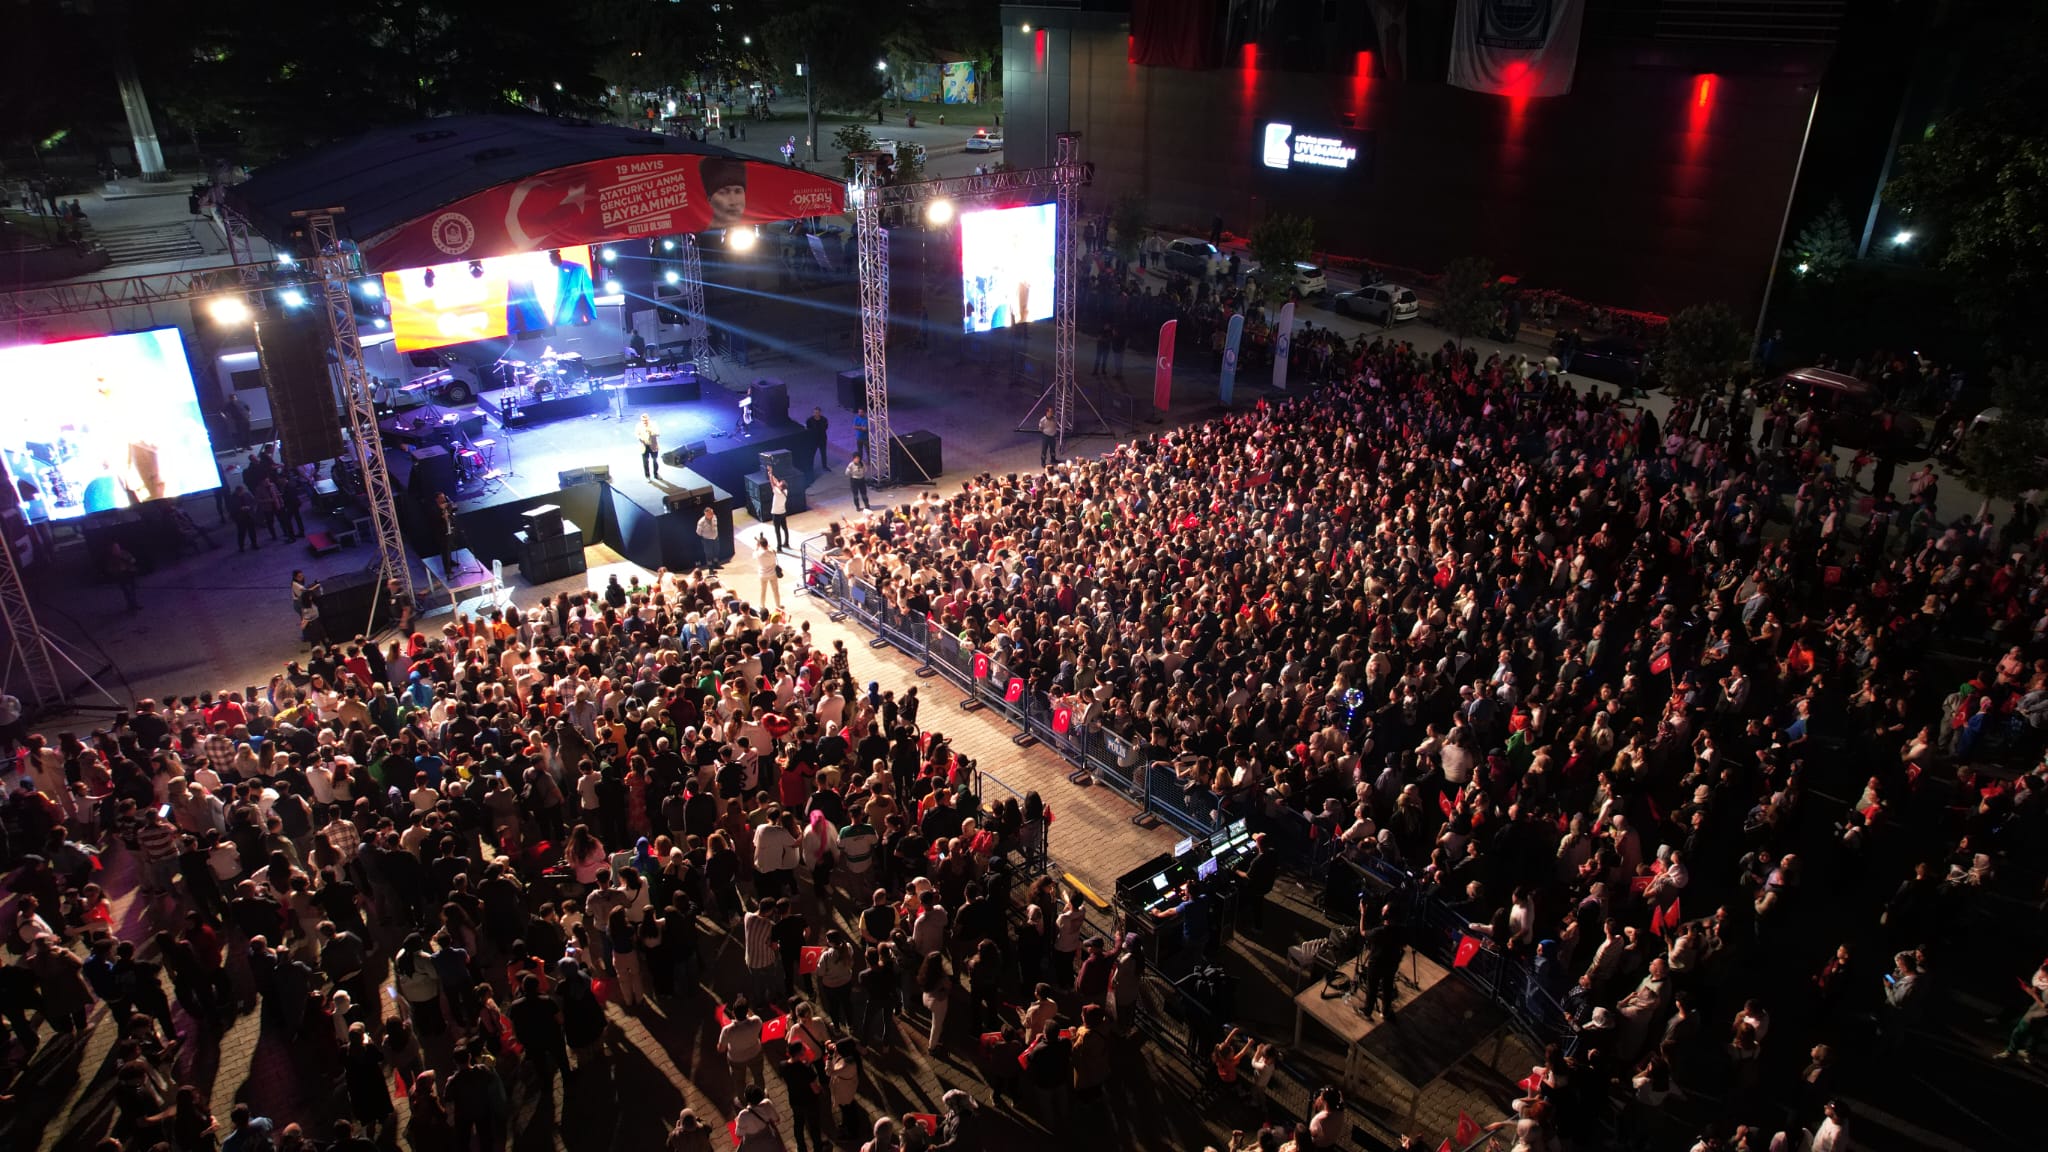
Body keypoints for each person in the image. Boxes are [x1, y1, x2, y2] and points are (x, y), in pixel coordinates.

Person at [1996, 957, 2048, 1062]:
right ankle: (2029, 1053)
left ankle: (2011, 1053)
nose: (2042, 970)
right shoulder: (2043, 974)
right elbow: (2039, 983)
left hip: (2042, 1011)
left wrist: (2031, 993)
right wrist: (2034, 989)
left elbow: (2045, 1006)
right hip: (2039, 1006)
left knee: (2020, 1030)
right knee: (2036, 1030)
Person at [754, 533, 783, 609]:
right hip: (773, 573)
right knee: (775, 591)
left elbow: (754, 554)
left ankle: (762, 605)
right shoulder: (772, 552)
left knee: (763, 591)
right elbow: (771, 548)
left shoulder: (758, 554)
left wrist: (757, 546)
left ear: (760, 545)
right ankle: (778, 605)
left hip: (763, 574)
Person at [769, 468, 791, 550]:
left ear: (781, 487)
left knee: (777, 531)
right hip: (783, 513)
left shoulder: (777, 492)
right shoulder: (785, 491)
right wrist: (771, 474)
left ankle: (779, 547)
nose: (779, 483)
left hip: (776, 514)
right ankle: (786, 543)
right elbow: (777, 483)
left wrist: (770, 475)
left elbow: (772, 483)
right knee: (785, 528)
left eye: (780, 484)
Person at [806, 407, 831, 471]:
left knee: (823, 453)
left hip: (822, 439)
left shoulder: (824, 420)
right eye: (815, 412)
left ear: (820, 413)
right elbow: (808, 429)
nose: (816, 414)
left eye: (817, 412)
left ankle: (824, 466)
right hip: (813, 440)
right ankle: (810, 467)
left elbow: (825, 428)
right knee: (812, 454)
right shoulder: (809, 420)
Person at [638, 414, 661, 480]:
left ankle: (656, 474)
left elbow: (658, 434)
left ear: (648, 419)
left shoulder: (654, 424)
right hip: (644, 446)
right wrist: (640, 438)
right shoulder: (638, 426)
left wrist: (651, 431)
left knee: (655, 461)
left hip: (653, 446)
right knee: (645, 462)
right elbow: (637, 434)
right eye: (643, 420)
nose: (645, 422)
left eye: (646, 420)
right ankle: (647, 476)